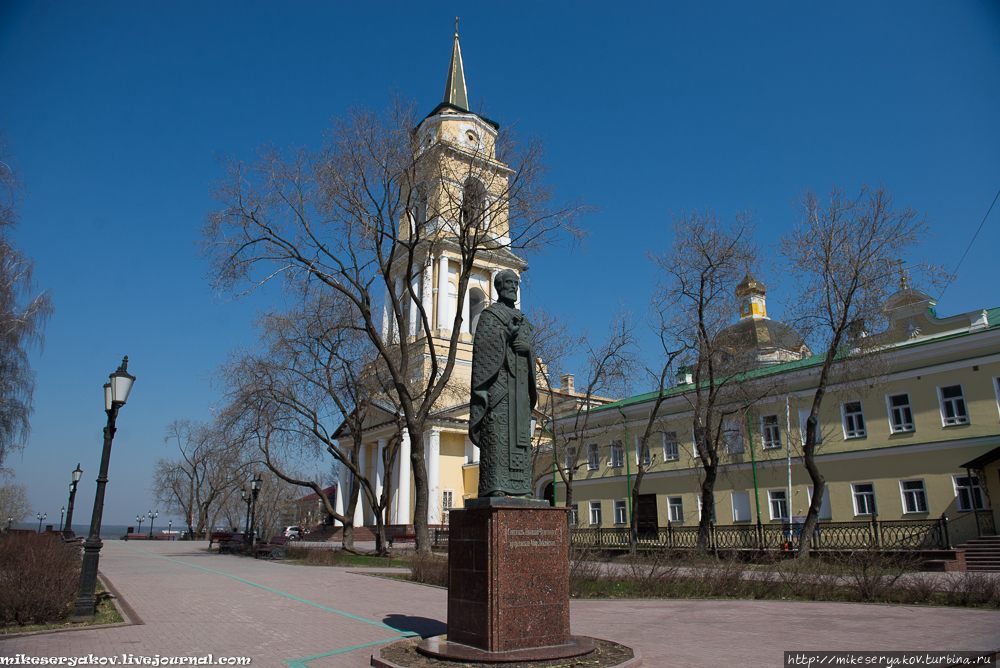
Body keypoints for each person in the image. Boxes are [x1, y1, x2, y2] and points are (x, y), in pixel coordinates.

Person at [469, 269, 537, 498]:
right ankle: (495, 485)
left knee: (521, 441)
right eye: (509, 283)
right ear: (498, 287)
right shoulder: (490, 316)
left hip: (520, 393)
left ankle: (523, 487)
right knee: (498, 438)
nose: (513, 288)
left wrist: (528, 350)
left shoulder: (525, 321)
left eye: (516, 284)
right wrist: (505, 335)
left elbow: (530, 351)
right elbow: (481, 349)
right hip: (499, 391)